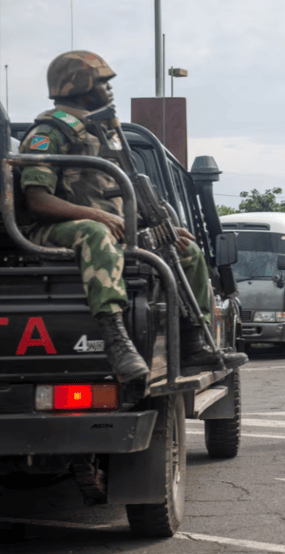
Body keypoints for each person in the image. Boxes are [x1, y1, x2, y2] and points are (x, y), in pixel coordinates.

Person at [18, 50, 246, 382]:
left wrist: (157, 227)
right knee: (96, 232)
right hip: (52, 228)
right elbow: (38, 201)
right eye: (102, 82)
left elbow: (115, 197)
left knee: (187, 251)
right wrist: (97, 216)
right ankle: (117, 340)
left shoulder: (101, 132)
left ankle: (193, 345)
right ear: (78, 84)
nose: (110, 89)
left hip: (105, 227)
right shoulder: (48, 134)